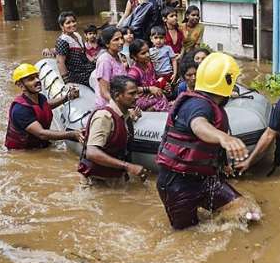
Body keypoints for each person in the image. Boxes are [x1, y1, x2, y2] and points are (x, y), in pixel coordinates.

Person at [156, 53, 251, 230]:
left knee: (247, 212)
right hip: (177, 182)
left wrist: (223, 164)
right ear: (227, 81)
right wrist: (224, 138)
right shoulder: (197, 105)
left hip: (204, 179)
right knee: (188, 234)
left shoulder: (212, 106)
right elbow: (199, 126)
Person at [78, 75, 148, 184]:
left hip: (114, 178)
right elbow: (91, 153)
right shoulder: (104, 117)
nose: (137, 97)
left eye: (137, 93)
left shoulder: (126, 115)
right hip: (95, 181)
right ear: (117, 96)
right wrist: (128, 166)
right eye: (131, 93)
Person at [5, 63, 84, 150]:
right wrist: (72, 134)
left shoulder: (40, 97)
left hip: (39, 145)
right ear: (20, 85)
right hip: (24, 151)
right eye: (31, 79)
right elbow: (41, 134)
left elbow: (45, 106)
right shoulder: (20, 110)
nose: (37, 80)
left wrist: (67, 97)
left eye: (37, 77)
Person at [90, 26, 127, 109]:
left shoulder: (118, 56)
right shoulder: (105, 60)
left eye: (121, 38)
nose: (121, 42)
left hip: (120, 100)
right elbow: (104, 92)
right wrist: (120, 108)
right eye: (116, 39)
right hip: (108, 106)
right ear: (107, 44)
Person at [127, 39, 169, 111]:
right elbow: (129, 89)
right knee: (161, 100)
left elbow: (153, 81)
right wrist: (149, 89)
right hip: (139, 99)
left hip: (152, 95)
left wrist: (164, 85)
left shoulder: (149, 65)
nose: (147, 55)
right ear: (134, 57)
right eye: (143, 53)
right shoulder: (133, 72)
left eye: (148, 52)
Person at [55, 11, 95, 87]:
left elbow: (84, 53)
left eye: (73, 21)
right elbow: (60, 62)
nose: (72, 24)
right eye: (68, 23)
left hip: (86, 68)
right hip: (76, 74)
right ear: (62, 26)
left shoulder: (77, 35)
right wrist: (67, 82)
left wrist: (94, 60)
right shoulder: (63, 41)